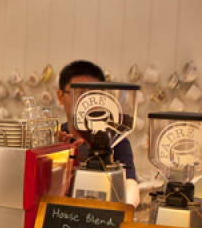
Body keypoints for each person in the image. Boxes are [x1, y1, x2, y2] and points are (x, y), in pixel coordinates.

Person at [56, 60, 140, 207]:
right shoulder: (55, 138)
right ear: (60, 96)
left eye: (93, 94)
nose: (86, 101)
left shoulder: (114, 139)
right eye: (80, 93)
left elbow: (130, 183)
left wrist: (125, 209)